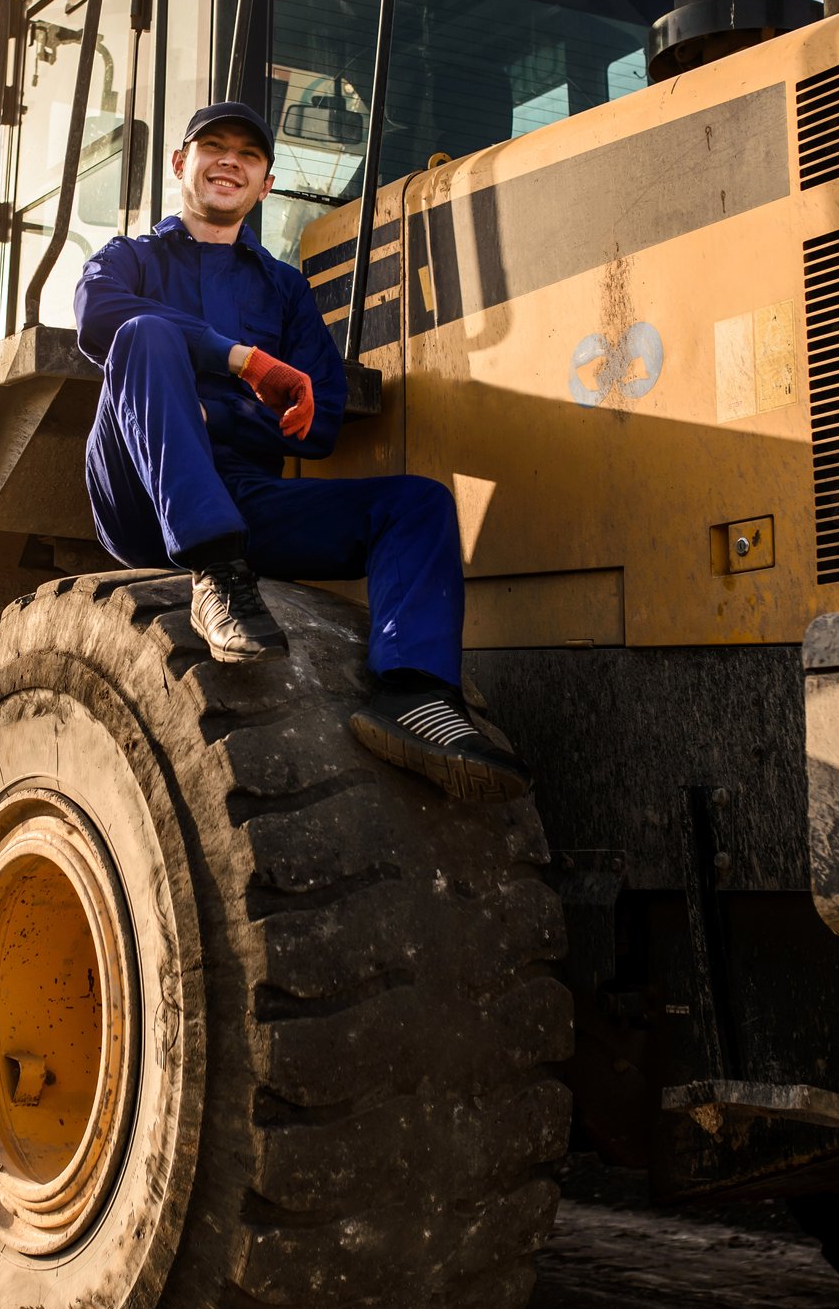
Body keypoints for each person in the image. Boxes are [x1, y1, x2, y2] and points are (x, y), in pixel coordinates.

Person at [74, 101, 529, 801]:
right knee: (144, 338)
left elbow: (318, 421)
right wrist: (239, 360)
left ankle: (414, 695)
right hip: (142, 490)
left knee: (417, 503)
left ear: (266, 184)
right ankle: (217, 577)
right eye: (213, 148)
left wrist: (266, 405)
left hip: (244, 497)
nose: (229, 161)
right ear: (180, 165)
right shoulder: (129, 258)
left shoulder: (284, 288)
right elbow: (100, 319)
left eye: (248, 156)